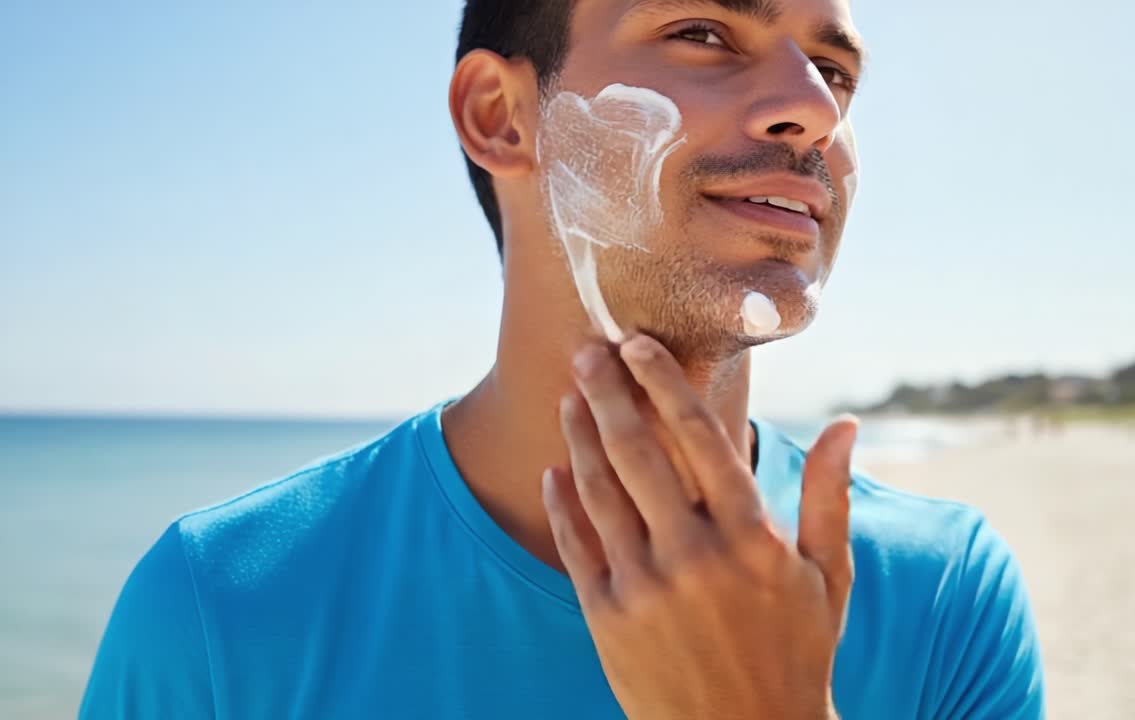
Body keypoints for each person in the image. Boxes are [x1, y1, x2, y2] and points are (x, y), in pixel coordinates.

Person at [81, 1, 1045, 717]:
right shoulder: (221, 601)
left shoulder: (945, 591)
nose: (813, 110)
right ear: (501, 116)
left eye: (834, 72)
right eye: (704, 32)